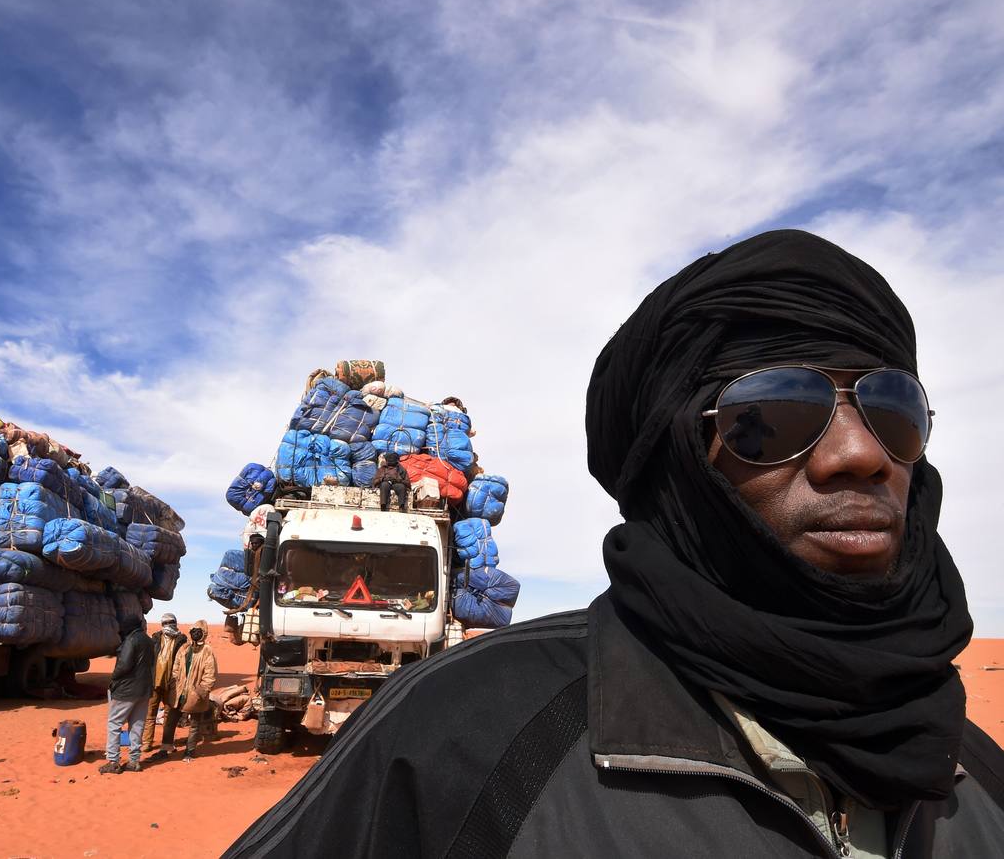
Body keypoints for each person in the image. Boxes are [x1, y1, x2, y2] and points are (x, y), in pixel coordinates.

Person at [226, 230, 1004, 857]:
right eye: (773, 415)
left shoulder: (976, 771)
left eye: (893, 409)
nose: (861, 454)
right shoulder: (458, 740)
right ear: (680, 465)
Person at [99, 617, 155, 774]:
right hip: (144, 690)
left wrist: (113, 678)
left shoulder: (131, 640)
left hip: (126, 690)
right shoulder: (148, 640)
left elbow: (123, 665)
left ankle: (113, 761)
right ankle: (134, 761)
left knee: (114, 724)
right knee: (137, 725)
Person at [161, 620, 217, 762]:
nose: (195, 634)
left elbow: (210, 675)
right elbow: (175, 669)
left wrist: (201, 691)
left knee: (194, 725)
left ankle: (189, 751)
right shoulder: (184, 648)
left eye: (199, 631)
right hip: (178, 692)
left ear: (204, 634)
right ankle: (165, 748)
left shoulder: (207, 651)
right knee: (170, 720)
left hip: (195, 695)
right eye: (194, 631)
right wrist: (173, 685)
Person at [141, 613, 187, 753]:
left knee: (169, 714)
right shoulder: (155, 639)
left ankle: (166, 743)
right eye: (165, 623)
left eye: (170, 622)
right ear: (162, 625)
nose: (168, 625)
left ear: (175, 623)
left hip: (171, 683)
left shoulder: (181, 640)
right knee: (150, 713)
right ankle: (147, 743)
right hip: (154, 682)